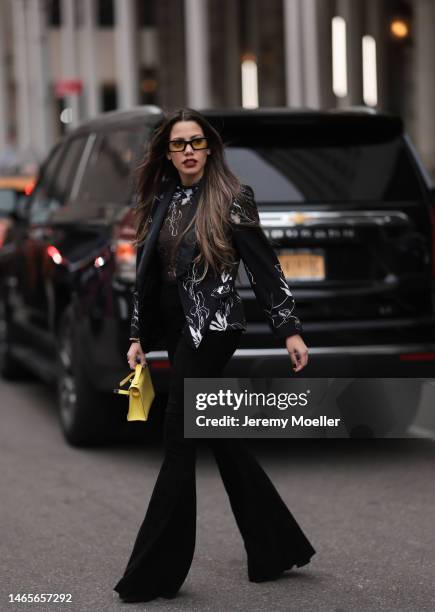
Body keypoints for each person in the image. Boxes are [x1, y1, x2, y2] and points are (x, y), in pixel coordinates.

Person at [113, 108, 316, 603]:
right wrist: (138, 335)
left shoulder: (232, 198)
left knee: (179, 435)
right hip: (176, 328)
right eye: (179, 144)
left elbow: (264, 266)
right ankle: (276, 544)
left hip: (215, 329)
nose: (188, 151)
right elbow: (148, 276)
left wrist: (288, 329)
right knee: (217, 432)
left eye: (196, 142)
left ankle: (153, 573)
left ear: (209, 148)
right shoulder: (160, 198)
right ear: (167, 152)